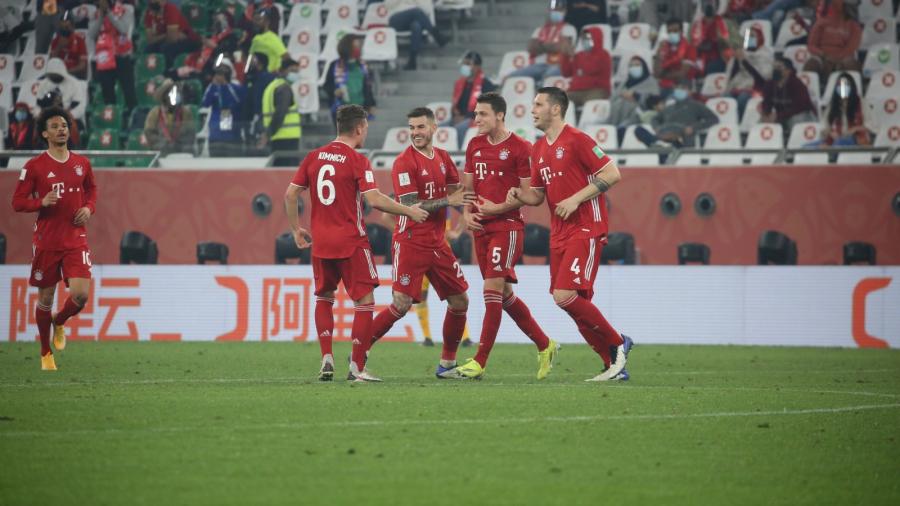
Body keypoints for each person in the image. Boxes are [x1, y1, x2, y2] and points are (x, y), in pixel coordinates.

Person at [285, 104, 428, 382]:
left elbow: (291, 195)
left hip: (321, 242)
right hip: (351, 241)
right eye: (366, 128)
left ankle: (327, 357)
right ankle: (356, 368)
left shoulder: (314, 157)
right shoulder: (357, 160)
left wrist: (296, 230)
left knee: (324, 297)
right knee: (364, 301)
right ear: (360, 128)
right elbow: (374, 199)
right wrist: (409, 211)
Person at [506, 87, 632, 382]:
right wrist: (519, 195)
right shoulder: (539, 149)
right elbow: (538, 195)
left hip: (587, 227)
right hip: (560, 232)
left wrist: (576, 199)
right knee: (573, 303)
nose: (532, 110)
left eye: (538, 104)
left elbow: (612, 174)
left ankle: (618, 342)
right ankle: (612, 365)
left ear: (555, 109)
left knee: (565, 296)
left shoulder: (578, 140)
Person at [453, 92, 559, 380]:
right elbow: (468, 188)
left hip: (507, 226)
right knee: (504, 294)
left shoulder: (520, 148)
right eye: (475, 114)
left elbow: (528, 195)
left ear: (500, 115)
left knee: (491, 290)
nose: (477, 119)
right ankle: (545, 344)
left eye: (483, 114)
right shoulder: (474, 144)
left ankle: (480, 361)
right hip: (481, 228)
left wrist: (497, 208)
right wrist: (466, 213)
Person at [367, 107, 477, 379]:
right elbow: (409, 204)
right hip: (411, 241)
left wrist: (474, 192)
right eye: (412, 128)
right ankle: (358, 354)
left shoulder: (443, 157)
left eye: (420, 127)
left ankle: (447, 365)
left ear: (434, 128)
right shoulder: (404, 162)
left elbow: (457, 192)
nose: (415, 132)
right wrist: (448, 201)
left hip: (438, 243)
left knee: (460, 300)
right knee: (401, 303)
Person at [11, 107, 97, 371]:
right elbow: (17, 202)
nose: (61, 129)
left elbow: (91, 189)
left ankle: (59, 320)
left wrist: (88, 208)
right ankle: (45, 352)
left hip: (76, 239)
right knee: (45, 298)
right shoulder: (34, 166)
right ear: (45, 134)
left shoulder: (82, 163)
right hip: (47, 241)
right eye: (55, 126)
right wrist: (40, 202)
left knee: (80, 296)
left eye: (64, 125)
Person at [508, 0, 577, 85]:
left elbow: (563, 48)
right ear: (549, 11)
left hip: (558, 65)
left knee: (548, 76)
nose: (556, 12)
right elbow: (531, 48)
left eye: (559, 10)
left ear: (564, 12)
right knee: (513, 76)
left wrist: (542, 45)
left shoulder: (569, 29)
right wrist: (553, 46)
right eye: (553, 10)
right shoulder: (539, 30)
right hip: (538, 65)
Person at [88, 0, 137, 114]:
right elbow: (91, 34)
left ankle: (133, 117)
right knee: (108, 95)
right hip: (104, 59)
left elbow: (124, 29)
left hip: (121, 57)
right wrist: (101, 17)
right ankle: (112, 119)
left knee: (129, 92)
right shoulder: (95, 15)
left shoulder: (125, 11)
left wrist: (109, 13)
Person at [647, 80, 720, 147]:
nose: (679, 90)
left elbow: (713, 119)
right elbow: (654, 119)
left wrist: (694, 127)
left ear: (690, 91)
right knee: (644, 133)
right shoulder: (669, 108)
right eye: (677, 88)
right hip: (668, 137)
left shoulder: (695, 105)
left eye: (682, 88)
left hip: (686, 138)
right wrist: (657, 127)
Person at [809, 73, 874, 147]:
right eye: (840, 85)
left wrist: (855, 129)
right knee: (807, 148)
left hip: (856, 140)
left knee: (839, 143)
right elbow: (824, 127)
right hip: (833, 140)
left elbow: (871, 126)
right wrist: (830, 132)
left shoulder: (862, 103)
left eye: (846, 85)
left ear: (852, 87)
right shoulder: (832, 104)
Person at [803, 0, 862, 81]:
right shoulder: (821, 22)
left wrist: (837, 59)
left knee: (851, 65)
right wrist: (825, 56)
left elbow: (852, 47)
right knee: (811, 64)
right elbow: (811, 45)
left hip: (843, 57)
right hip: (822, 56)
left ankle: (852, 87)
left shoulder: (853, 26)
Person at [324, 34, 376, 124]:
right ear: (347, 47)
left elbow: (368, 87)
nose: (358, 49)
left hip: (360, 109)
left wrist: (371, 104)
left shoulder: (363, 65)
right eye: (355, 46)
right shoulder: (334, 65)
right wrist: (334, 91)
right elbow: (327, 85)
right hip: (341, 109)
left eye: (359, 46)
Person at [445, 50, 497, 142]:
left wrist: (465, 118)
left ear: (477, 67)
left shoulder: (486, 85)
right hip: (459, 119)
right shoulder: (460, 83)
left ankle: (460, 150)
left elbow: (486, 109)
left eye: (468, 64)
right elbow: (455, 105)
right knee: (437, 128)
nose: (465, 67)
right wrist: (456, 116)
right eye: (464, 64)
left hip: (475, 119)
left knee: (458, 129)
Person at [260, 58, 302, 166]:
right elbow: (280, 113)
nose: (295, 74)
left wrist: (268, 133)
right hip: (287, 139)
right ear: (282, 71)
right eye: (292, 70)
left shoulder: (272, 86)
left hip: (277, 138)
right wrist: (268, 133)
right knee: (287, 172)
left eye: (297, 71)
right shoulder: (284, 88)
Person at [386, 0, 449, 70]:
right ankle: (437, 36)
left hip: (414, 19)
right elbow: (387, 5)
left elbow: (427, 10)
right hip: (396, 19)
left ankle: (412, 61)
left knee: (416, 26)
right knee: (416, 12)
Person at [559, 25, 612, 106]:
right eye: (583, 38)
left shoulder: (604, 55)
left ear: (596, 38)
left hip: (596, 90)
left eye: (588, 38)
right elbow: (566, 73)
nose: (585, 41)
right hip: (576, 91)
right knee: (558, 101)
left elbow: (591, 69)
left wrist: (573, 55)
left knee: (590, 105)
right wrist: (565, 55)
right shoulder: (579, 55)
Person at [761, 57, 817, 132]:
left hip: (802, 115)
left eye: (779, 67)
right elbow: (766, 102)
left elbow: (799, 107)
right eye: (774, 67)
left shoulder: (797, 84)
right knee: (761, 123)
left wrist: (778, 115)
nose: (775, 70)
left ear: (788, 71)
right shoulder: (769, 84)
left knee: (795, 120)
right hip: (782, 115)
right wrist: (766, 114)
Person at [727, 24, 773, 116]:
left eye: (752, 36)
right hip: (739, 86)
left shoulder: (765, 54)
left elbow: (763, 77)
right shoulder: (742, 52)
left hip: (756, 88)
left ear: (759, 37)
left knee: (742, 99)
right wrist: (736, 60)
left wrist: (744, 61)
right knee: (726, 97)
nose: (748, 39)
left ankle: (740, 121)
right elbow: (731, 75)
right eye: (747, 37)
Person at [144, 0, 202, 70]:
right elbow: (150, 40)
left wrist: (161, 37)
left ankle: (168, 72)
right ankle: (151, 73)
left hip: (190, 40)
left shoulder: (171, 9)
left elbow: (172, 39)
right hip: (170, 39)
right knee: (148, 49)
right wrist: (166, 35)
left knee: (166, 48)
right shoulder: (149, 13)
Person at [143, 79, 197, 154]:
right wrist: (163, 144)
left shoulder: (186, 112)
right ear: (165, 97)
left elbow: (190, 133)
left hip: (182, 153)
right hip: (161, 153)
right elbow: (149, 133)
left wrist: (179, 145)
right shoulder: (154, 113)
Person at [202, 64, 245, 156]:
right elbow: (205, 103)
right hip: (215, 134)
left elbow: (239, 104)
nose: (215, 77)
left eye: (217, 74)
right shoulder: (212, 88)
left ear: (223, 76)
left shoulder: (235, 88)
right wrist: (213, 87)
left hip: (231, 134)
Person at [607, 56, 660, 128]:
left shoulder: (651, 83)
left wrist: (636, 96)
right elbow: (612, 98)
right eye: (631, 66)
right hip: (616, 118)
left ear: (644, 67)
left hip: (638, 119)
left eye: (637, 65)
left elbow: (654, 101)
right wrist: (622, 95)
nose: (634, 68)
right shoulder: (625, 83)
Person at [654, 17, 697, 96]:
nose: (672, 34)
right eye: (669, 31)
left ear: (681, 32)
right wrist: (659, 51)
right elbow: (656, 73)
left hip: (684, 83)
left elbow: (682, 74)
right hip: (664, 83)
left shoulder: (690, 48)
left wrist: (663, 75)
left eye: (675, 31)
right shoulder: (664, 46)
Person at [689, 0, 734, 76]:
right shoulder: (697, 23)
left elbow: (727, 43)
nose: (708, 4)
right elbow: (694, 44)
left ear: (717, 5)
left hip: (718, 57)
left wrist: (719, 40)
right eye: (705, 2)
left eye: (712, 2)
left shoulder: (723, 22)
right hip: (700, 58)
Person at [35, 58, 85, 123]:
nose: (53, 77)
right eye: (51, 75)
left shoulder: (74, 83)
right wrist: (41, 114)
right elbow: (38, 104)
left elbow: (80, 105)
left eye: (56, 75)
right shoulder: (44, 84)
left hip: (69, 117)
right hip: (48, 117)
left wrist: (68, 114)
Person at [241, 52, 275, 149]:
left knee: (261, 147)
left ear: (260, 63)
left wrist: (257, 114)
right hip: (248, 119)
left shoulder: (267, 78)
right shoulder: (249, 78)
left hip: (261, 117)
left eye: (253, 60)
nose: (249, 62)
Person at [49, 12, 87, 80]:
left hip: (74, 76)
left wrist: (66, 72)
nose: (64, 30)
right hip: (58, 76)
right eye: (62, 27)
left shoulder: (79, 40)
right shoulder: (56, 40)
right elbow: (51, 62)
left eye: (67, 27)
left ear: (72, 26)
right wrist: (59, 47)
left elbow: (82, 66)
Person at [248, 7, 286, 73]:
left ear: (267, 22)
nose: (255, 23)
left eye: (258, 19)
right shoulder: (255, 38)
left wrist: (277, 72)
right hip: (256, 76)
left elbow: (286, 57)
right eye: (254, 20)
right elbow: (250, 58)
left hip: (269, 76)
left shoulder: (272, 38)